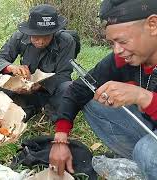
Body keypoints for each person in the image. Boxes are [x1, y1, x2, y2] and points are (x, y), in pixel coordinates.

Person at [49, 0, 157, 179]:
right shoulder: (122, 59)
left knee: (147, 151)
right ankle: (145, 162)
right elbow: (77, 90)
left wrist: (143, 97)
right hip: (148, 129)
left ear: (152, 25)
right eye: (112, 43)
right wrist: (60, 139)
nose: (117, 50)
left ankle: (147, 158)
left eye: (122, 41)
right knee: (93, 97)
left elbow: (144, 98)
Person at [0, 4, 76, 121]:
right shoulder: (19, 37)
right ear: (29, 32)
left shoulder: (66, 41)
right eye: (36, 37)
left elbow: (64, 75)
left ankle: (47, 108)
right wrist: (11, 68)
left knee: (68, 87)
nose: (40, 42)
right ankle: (26, 104)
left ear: (54, 32)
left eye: (46, 37)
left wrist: (41, 85)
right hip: (23, 89)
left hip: (49, 91)